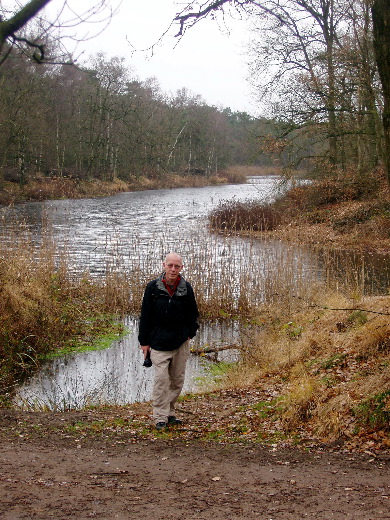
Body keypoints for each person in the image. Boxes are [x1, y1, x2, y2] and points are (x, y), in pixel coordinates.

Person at [138, 252, 199, 430]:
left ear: (181, 268)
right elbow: (145, 316)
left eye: (177, 266)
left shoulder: (186, 288)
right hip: (158, 343)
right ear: (164, 265)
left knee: (177, 381)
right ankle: (160, 417)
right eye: (170, 265)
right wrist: (144, 342)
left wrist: (190, 333)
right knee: (161, 381)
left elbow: (193, 314)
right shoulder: (153, 288)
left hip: (180, 343)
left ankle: (170, 413)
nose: (173, 269)